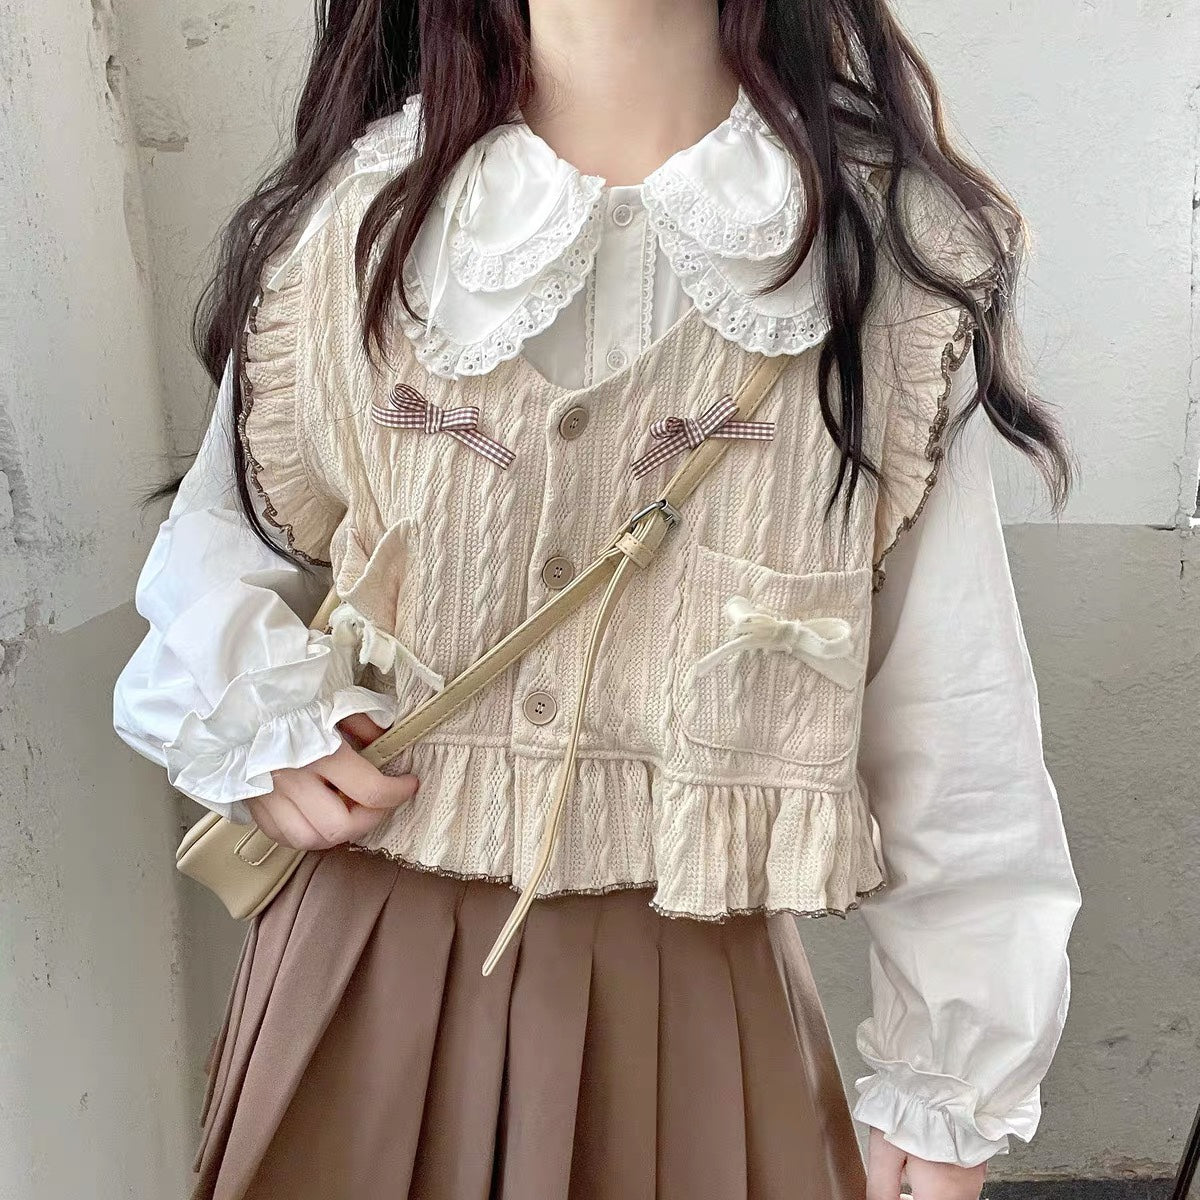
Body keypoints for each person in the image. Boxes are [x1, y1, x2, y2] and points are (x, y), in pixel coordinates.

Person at [113, 1, 1081, 1197]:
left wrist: (951, 1092)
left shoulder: (881, 267)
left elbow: (955, 710)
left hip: (690, 1008)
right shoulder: (357, 227)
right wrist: (262, 721)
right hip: (360, 976)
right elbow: (219, 552)